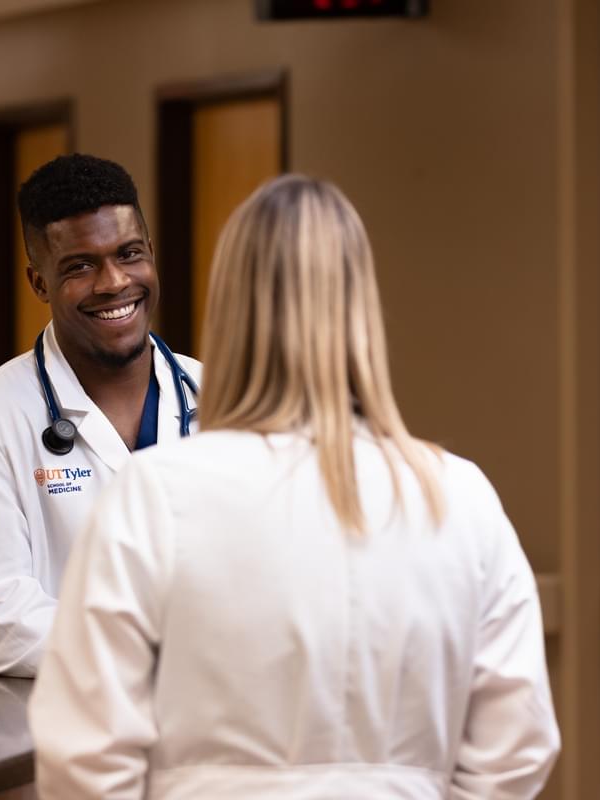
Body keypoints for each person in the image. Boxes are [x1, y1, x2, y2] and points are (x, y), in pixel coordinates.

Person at [28, 175, 560, 799]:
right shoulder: (459, 497)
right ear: (362, 311)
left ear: (227, 310)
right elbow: (517, 745)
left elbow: (85, 753)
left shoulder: (154, 497)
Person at [0, 154, 201, 677]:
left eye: (130, 253)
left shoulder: (224, 401)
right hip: (65, 732)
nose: (114, 281)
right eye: (80, 266)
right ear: (38, 283)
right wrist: (161, 652)